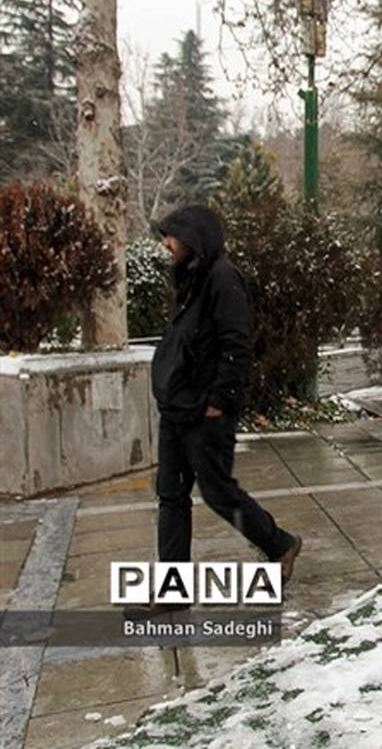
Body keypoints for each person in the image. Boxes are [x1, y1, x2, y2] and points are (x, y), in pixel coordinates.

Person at [127, 205, 301, 620]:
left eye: (172, 236)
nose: (166, 244)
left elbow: (236, 344)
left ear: (194, 237)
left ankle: (279, 544)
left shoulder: (223, 278)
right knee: (171, 496)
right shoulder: (190, 277)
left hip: (206, 411)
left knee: (218, 492)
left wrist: (219, 401)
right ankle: (173, 591)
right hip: (177, 407)